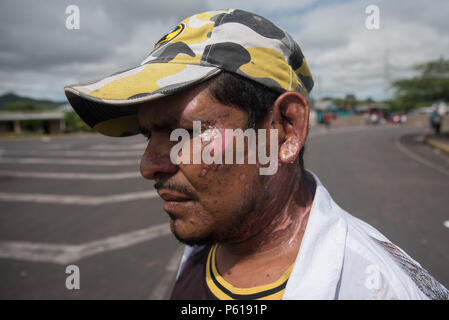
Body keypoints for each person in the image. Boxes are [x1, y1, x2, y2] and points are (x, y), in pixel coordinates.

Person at [64, 9, 448, 300]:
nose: (148, 166)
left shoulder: (380, 287)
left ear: (286, 129)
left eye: (186, 132)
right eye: (149, 135)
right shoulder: (217, 234)